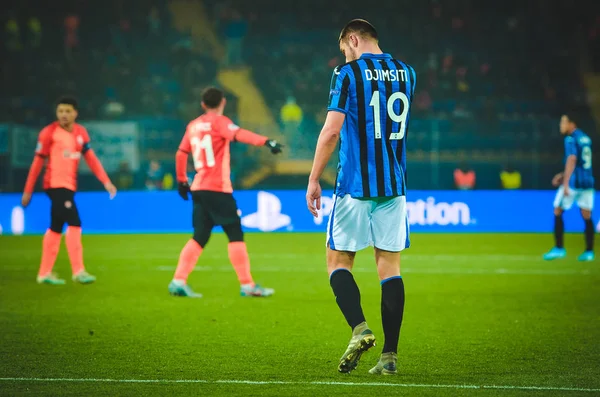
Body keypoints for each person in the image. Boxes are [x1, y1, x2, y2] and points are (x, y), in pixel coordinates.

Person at [306, 19, 416, 375]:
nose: (346, 55)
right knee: (390, 269)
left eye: (345, 48)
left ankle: (359, 328)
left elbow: (331, 132)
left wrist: (313, 180)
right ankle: (390, 356)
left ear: (352, 39)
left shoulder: (347, 74)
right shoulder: (407, 73)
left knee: (338, 263)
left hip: (355, 185)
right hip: (394, 185)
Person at [169, 87, 283, 298]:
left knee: (200, 236)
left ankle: (178, 280)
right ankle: (247, 285)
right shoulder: (220, 122)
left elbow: (181, 153)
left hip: (199, 187)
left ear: (203, 104)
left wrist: (181, 181)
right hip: (218, 188)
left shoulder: (193, 126)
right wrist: (266, 141)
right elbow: (239, 134)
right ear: (222, 103)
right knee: (235, 233)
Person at [21, 97, 117, 285]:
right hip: (55, 185)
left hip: (69, 186)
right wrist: (27, 190)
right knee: (75, 222)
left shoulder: (81, 133)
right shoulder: (49, 133)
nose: (63, 115)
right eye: (60, 111)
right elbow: (37, 163)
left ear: (75, 113)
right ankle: (78, 270)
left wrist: (106, 181)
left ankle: (44, 273)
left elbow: (91, 159)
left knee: (56, 227)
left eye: (67, 111)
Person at [543, 113, 595, 261]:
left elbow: (572, 159)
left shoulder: (570, 139)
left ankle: (559, 248)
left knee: (558, 210)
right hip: (587, 182)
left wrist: (565, 183)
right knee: (587, 215)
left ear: (572, 124)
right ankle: (589, 252)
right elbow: (581, 162)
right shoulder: (585, 138)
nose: (561, 125)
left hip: (574, 183)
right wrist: (562, 173)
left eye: (563, 122)